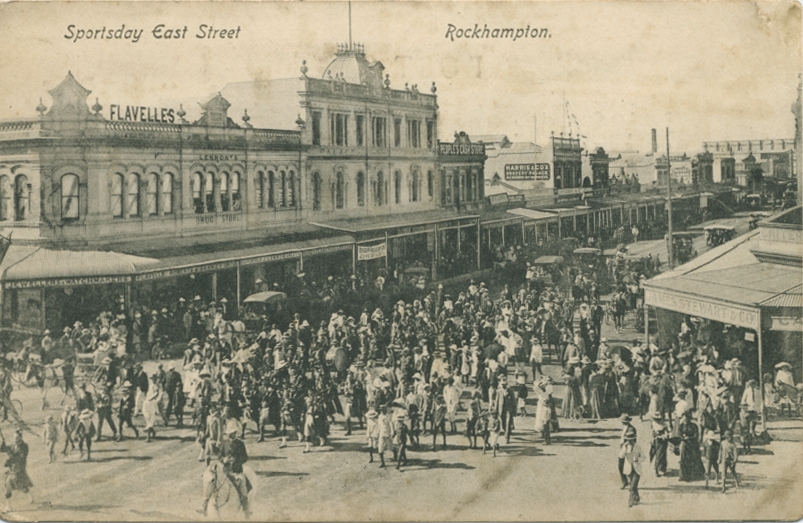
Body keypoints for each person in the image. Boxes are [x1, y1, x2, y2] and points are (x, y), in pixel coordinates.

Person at [0, 428, 34, 512]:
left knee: (19, 487)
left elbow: (21, 458)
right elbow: (2, 449)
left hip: (19, 470)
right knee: (11, 487)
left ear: (20, 438)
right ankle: (10, 506)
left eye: (17, 438)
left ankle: (10, 507)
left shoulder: (24, 446)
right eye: (14, 438)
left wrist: (11, 458)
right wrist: (2, 442)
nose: (15, 440)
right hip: (12, 470)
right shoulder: (13, 445)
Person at [678, 410, 706, 482]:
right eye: (684, 418)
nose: (685, 420)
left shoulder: (693, 426)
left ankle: (697, 474)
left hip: (693, 443)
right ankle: (683, 476)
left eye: (687, 418)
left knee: (694, 457)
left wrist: (689, 438)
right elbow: (679, 434)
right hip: (684, 443)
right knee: (683, 458)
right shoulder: (681, 426)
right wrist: (683, 437)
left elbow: (696, 435)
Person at [622, 431, 643, 508]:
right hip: (629, 469)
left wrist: (638, 459)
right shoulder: (625, 447)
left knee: (633, 487)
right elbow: (621, 456)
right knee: (633, 485)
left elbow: (643, 457)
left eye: (631, 440)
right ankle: (637, 498)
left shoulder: (638, 447)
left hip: (636, 469)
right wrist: (624, 448)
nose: (629, 441)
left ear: (634, 439)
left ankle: (630, 501)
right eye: (628, 440)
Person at [618, 414, 636, 489]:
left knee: (630, 466)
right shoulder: (625, 427)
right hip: (623, 448)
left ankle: (631, 483)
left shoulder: (631, 429)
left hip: (629, 448)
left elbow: (631, 440)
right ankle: (624, 481)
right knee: (620, 464)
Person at [649, 412, 669, 477]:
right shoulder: (653, 424)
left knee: (661, 455)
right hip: (655, 441)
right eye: (656, 419)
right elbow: (652, 433)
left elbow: (666, 433)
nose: (657, 421)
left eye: (658, 419)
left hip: (662, 442)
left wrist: (664, 435)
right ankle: (656, 469)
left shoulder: (664, 425)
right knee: (654, 454)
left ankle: (661, 469)